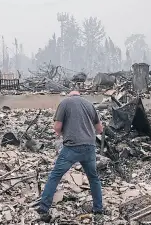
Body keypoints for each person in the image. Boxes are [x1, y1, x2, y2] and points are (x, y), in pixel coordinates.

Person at [37, 91, 104, 223]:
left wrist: (63, 132)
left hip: (72, 147)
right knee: (93, 178)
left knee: (55, 176)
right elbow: (100, 129)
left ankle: (43, 208)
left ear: (70, 95)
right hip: (89, 147)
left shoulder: (65, 103)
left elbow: (57, 127)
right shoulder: (89, 105)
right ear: (79, 95)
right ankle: (98, 209)